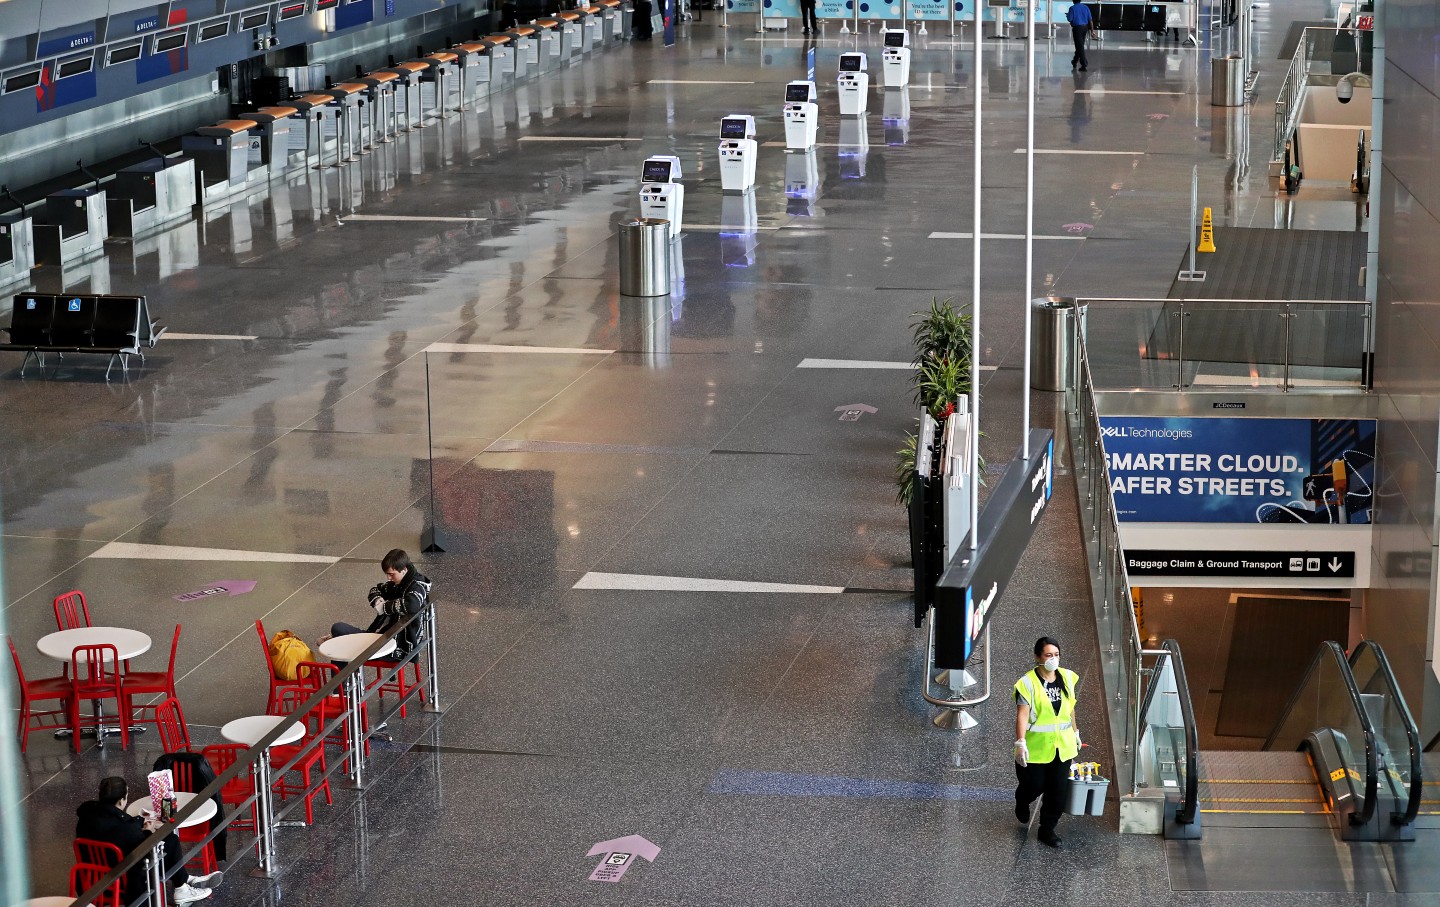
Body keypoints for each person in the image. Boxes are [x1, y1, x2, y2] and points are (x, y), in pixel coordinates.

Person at [75, 776, 223, 905]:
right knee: (170, 840)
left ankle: (185, 879)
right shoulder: (124, 829)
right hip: (121, 876)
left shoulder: (87, 816)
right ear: (121, 801)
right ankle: (182, 887)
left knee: (166, 843)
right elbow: (138, 846)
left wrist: (137, 824)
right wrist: (147, 831)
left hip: (91, 876)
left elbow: (119, 832)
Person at [1014, 637, 1082, 848]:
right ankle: (1023, 800)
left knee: (1057, 791)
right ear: (1038, 657)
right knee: (1033, 785)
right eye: (1048, 655)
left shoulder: (1068, 678)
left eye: (1056, 655)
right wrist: (1021, 741)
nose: (1053, 659)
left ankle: (1047, 829)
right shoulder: (1027, 683)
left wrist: (1076, 732)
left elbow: (1070, 708)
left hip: (1063, 746)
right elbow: (1023, 715)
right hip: (1037, 747)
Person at [323, 549, 432, 664]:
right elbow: (375, 589)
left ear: (404, 570)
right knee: (338, 631)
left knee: (338, 636)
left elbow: (412, 605)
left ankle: (342, 680)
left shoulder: (417, 586)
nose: (388, 578)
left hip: (395, 647)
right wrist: (378, 601)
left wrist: (385, 607)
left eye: (391, 574)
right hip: (384, 637)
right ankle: (345, 678)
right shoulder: (399, 584)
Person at [1066, 0, 1092, 71]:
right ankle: (1074, 61)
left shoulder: (1072, 8)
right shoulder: (1085, 7)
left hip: (1077, 29)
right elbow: (1090, 19)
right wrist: (1092, 31)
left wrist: (1067, 15)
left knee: (1079, 46)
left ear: (1073, 1)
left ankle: (1084, 64)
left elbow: (1069, 19)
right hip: (1085, 28)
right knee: (1080, 46)